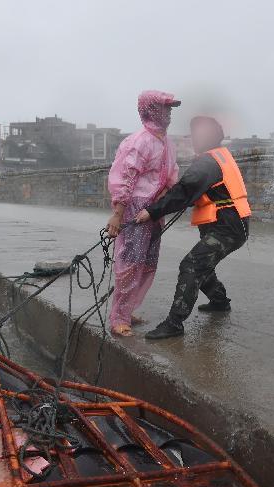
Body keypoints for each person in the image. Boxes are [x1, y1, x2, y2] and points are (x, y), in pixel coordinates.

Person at [135, 116, 251, 340]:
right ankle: (219, 302)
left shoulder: (208, 161)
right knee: (203, 264)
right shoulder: (217, 156)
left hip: (227, 226)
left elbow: (183, 191)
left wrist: (152, 211)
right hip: (228, 222)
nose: (193, 140)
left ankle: (174, 322)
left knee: (191, 265)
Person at [105, 90, 181, 336]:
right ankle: (119, 318)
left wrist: (167, 194)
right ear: (150, 110)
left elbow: (172, 172)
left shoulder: (166, 142)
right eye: (164, 108)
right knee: (130, 263)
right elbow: (125, 177)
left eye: (170, 109)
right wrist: (118, 212)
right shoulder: (139, 142)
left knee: (147, 263)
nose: (169, 113)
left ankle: (127, 310)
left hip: (154, 210)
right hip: (135, 209)